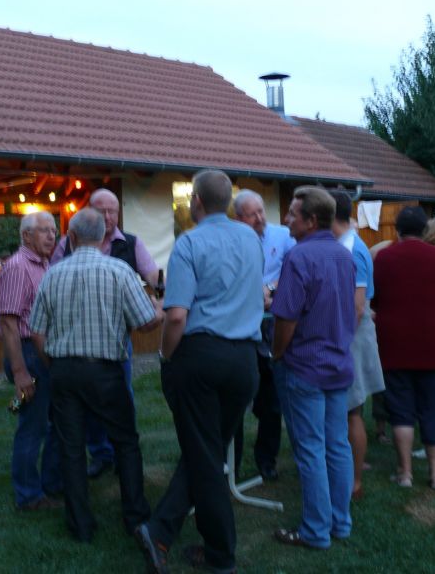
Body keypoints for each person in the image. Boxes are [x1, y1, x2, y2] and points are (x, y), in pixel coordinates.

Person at [135, 169, 262, 574]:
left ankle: (218, 554)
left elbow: (176, 316)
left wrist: (166, 356)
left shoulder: (189, 243)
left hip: (202, 357)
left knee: (204, 456)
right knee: (206, 451)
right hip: (245, 361)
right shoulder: (251, 238)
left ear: (197, 202)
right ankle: (161, 531)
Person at [30, 207, 163, 542]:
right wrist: (161, 312)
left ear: (71, 237)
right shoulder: (119, 270)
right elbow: (146, 322)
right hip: (106, 372)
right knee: (126, 443)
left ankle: (80, 525)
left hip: (64, 370)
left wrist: (53, 365)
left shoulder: (52, 274)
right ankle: (135, 517)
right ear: (104, 236)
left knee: (71, 447)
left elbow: (36, 332)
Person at [52, 188, 160, 479]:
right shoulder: (67, 244)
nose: (108, 216)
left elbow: (154, 276)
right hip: (76, 336)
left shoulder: (131, 243)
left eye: (113, 211)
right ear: (90, 211)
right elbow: (52, 280)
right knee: (86, 404)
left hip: (115, 338)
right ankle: (102, 453)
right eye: (102, 211)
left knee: (122, 396)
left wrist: (163, 291)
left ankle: (123, 451)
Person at [269, 186, 356, 549]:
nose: (286, 219)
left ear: (311, 220)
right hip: (338, 362)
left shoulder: (299, 257)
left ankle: (316, 530)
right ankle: (340, 522)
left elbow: (286, 317)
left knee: (310, 450)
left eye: (292, 214)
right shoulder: (344, 255)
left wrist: (276, 353)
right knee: (337, 445)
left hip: (305, 365)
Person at [372, 206, 435, 490]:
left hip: (395, 342)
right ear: (425, 230)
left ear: (397, 230)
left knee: (401, 409)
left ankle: (405, 472)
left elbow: (375, 299)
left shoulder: (384, 258)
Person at [0, 211, 64, 511]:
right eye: (44, 230)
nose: (52, 236)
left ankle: (52, 483)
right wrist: (21, 372)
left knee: (55, 422)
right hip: (27, 354)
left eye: (54, 230)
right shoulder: (17, 267)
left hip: (41, 351)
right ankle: (29, 496)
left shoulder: (44, 264)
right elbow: (9, 324)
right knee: (32, 426)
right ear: (26, 236)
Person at [232, 189, 295, 481]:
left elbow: (293, 270)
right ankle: (231, 462)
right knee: (234, 399)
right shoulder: (232, 239)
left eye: (261, 211)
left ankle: (266, 459)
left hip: (271, 328)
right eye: (252, 214)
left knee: (271, 402)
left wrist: (269, 288)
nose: (259, 218)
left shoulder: (283, 236)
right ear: (238, 218)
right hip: (239, 328)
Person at [330, 189, 384, 501]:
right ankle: (347, 473)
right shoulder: (344, 244)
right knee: (347, 411)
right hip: (349, 335)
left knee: (352, 411)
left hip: (350, 337)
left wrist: (338, 344)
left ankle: (354, 482)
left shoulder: (351, 248)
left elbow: (358, 306)